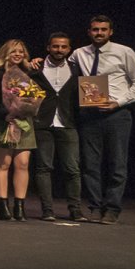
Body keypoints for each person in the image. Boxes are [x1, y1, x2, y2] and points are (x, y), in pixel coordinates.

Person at [68, 15, 135, 224]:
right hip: (89, 114)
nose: (99, 33)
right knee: (90, 164)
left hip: (117, 115)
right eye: (95, 30)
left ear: (110, 32)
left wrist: (119, 102)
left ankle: (112, 208)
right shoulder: (79, 54)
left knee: (117, 164)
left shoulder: (124, 52)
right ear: (89, 32)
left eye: (103, 30)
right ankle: (95, 205)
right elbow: (58, 66)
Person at [30, 32, 86, 222]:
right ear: (48, 47)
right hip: (42, 124)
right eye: (55, 46)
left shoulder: (77, 69)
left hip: (67, 123)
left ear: (69, 49)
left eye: (63, 47)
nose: (59, 50)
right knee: (43, 168)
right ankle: (47, 210)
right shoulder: (35, 68)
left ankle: (75, 210)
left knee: (72, 169)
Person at [0, 39, 37, 221]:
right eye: (14, 51)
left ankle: (20, 206)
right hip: (4, 123)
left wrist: (27, 108)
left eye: (21, 52)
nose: (17, 55)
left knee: (22, 163)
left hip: (24, 123)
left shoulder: (27, 74)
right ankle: (3, 205)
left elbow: (35, 97)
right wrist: (6, 113)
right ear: (6, 53)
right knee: (4, 163)